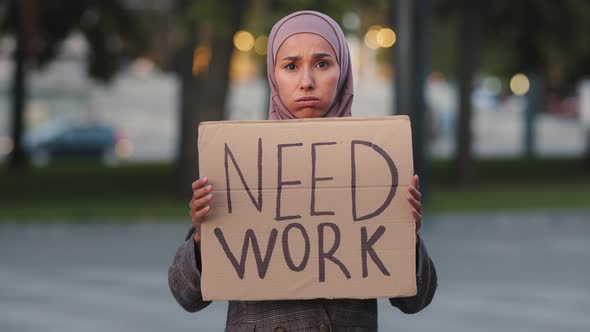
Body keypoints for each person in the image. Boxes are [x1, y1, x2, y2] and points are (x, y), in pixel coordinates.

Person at [168, 10, 437, 332]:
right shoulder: (242, 161)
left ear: (343, 71)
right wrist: (201, 234)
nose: (306, 81)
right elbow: (187, 296)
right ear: (273, 73)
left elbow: (415, 300)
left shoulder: (371, 163)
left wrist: (405, 231)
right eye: (291, 66)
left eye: (322, 64)